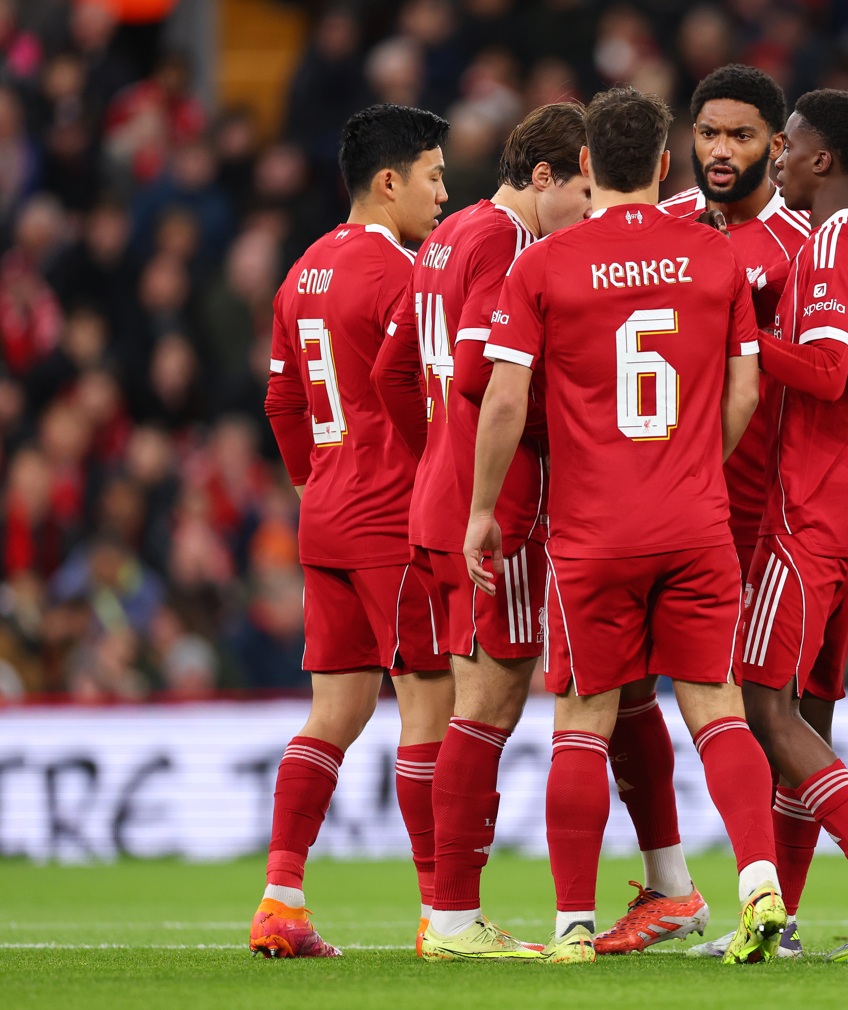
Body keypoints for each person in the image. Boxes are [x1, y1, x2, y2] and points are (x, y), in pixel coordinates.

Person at [463, 86, 784, 965]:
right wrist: (693, 470)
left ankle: (571, 925)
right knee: (717, 709)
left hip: (592, 531)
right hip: (694, 521)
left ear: (590, 166)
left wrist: (484, 511)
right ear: (667, 165)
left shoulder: (544, 265)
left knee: (582, 718)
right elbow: (748, 388)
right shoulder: (713, 255)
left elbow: (503, 398)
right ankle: (760, 884)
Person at [692, 89, 848, 963]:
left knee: (763, 701)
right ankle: (783, 922)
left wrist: (737, 338)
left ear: (820, 160)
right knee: (810, 711)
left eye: (787, 146)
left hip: (813, 502)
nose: (778, 159)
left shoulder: (833, 237)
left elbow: (830, 371)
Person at [595, 62, 811, 958]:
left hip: (761, 513)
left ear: (778, 146)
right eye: (709, 134)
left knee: (773, 709)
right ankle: (674, 887)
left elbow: (816, 386)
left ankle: (783, 909)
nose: (720, 152)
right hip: (666, 508)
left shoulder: (802, 245)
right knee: (625, 692)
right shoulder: (665, 226)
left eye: (742, 137)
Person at [371, 101, 592, 960]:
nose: (587, 210)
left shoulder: (447, 235)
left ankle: (449, 913)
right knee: (488, 710)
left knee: (470, 708)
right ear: (544, 177)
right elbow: (480, 373)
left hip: (440, 500)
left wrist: (437, 455)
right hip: (492, 512)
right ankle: (456, 918)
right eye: (581, 190)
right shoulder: (504, 242)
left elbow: (397, 373)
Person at [253, 103, 453, 959]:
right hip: (391, 520)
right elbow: (412, 388)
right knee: (432, 709)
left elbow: (281, 401)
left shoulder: (301, 274)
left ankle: (281, 900)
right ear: (389, 182)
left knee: (332, 714)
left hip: (327, 519)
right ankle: (444, 914)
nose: (444, 196)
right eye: (434, 177)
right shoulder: (401, 276)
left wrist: (314, 481)